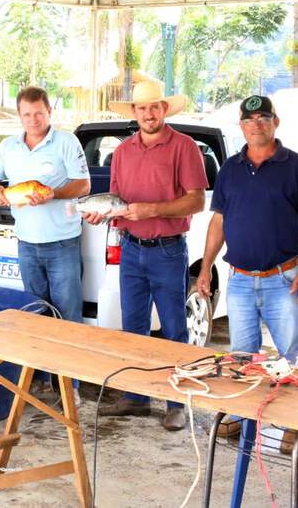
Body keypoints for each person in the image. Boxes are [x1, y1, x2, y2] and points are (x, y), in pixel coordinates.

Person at [84, 81, 208, 431]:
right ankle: (135, 398)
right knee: (133, 328)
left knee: (173, 330)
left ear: (164, 110)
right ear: (134, 113)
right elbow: (118, 201)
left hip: (168, 251)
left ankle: (176, 403)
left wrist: (153, 209)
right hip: (130, 249)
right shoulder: (122, 152)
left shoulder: (184, 148)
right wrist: (101, 213)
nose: (149, 113)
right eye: (142, 108)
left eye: (155, 107)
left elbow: (196, 200)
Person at [197, 95, 298, 446]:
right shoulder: (231, 167)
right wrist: (205, 267)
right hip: (241, 280)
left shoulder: (297, 166)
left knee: (293, 354)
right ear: (241, 126)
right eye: (249, 120)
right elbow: (219, 221)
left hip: (285, 277)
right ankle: (242, 418)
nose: (256, 124)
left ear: (276, 122)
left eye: (263, 118)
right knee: (242, 356)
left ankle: (296, 423)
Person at [0, 87, 90, 323]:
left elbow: (83, 186)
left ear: (49, 111)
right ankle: (38, 362)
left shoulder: (67, 142)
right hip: (25, 244)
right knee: (35, 316)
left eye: (38, 113)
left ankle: (65, 360)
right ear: (19, 115)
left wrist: (54, 194)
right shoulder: (8, 146)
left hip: (62, 243)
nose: (33, 120)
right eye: (26, 114)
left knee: (68, 316)